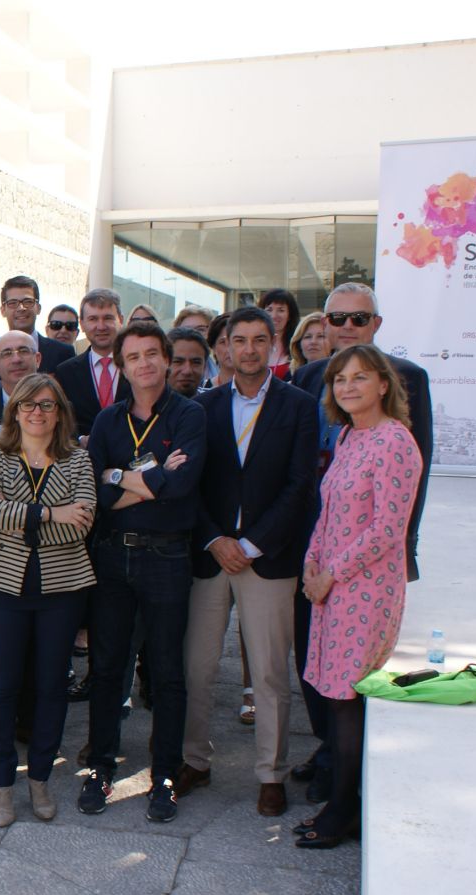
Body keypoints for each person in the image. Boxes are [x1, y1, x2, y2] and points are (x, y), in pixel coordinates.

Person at [288, 283, 433, 801]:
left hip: (362, 576)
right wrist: (311, 563)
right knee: (320, 672)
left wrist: (395, 557)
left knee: (349, 687)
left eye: (358, 318)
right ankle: (330, 755)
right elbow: (316, 489)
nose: (346, 326)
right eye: (337, 318)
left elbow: (394, 516)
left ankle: (343, 791)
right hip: (322, 566)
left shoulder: (397, 427)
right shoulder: (339, 419)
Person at [178, 308, 318, 818]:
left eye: (261, 340)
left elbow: (300, 485)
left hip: (269, 557)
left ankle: (270, 773)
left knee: (268, 675)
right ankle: (194, 760)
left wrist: (251, 544)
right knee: (197, 667)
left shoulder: (299, 406)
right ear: (225, 348)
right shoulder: (201, 406)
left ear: (275, 346)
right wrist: (216, 539)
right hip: (211, 556)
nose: (251, 350)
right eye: (241, 341)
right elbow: (187, 483)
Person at [79, 321, 206, 823]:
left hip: (168, 558)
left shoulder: (190, 415)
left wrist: (121, 477)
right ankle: (101, 766)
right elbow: (97, 491)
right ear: (123, 366)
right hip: (113, 557)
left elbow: (184, 484)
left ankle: (165, 776)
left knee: (168, 671)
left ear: (167, 360)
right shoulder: (110, 421)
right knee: (108, 668)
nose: (145, 364)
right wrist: (149, 477)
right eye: (134, 357)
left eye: (153, 354)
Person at [0, 374, 96, 826]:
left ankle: (40, 778)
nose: (37, 413)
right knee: (3, 688)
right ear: (15, 411)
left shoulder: (78, 460)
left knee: (50, 687)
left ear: (59, 412)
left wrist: (23, 518)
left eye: (46, 405)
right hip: (6, 589)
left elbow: (81, 522)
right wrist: (49, 512)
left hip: (61, 592)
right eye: (28, 405)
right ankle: (3, 785)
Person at [55, 288, 133, 438]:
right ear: (82, 324)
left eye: (108, 318)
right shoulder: (66, 372)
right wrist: (79, 439)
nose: (101, 326)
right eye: (93, 319)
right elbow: (62, 419)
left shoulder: (137, 366)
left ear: (121, 320)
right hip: (84, 457)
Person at [0, 276, 76, 378]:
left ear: (38, 308)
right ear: (3, 310)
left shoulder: (63, 353)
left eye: (28, 302)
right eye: (13, 303)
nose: (21, 308)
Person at [259, 288, 300, 379]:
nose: (274, 316)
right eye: (269, 310)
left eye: (281, 310)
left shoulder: (298, 346)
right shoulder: (253, 345)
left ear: (290, 315)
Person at [166, 328, 210, 397]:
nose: (187, 371)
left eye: (196, 362)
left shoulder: (219, 405)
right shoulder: (145, 405)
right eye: (178, 362)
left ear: (205, 366)